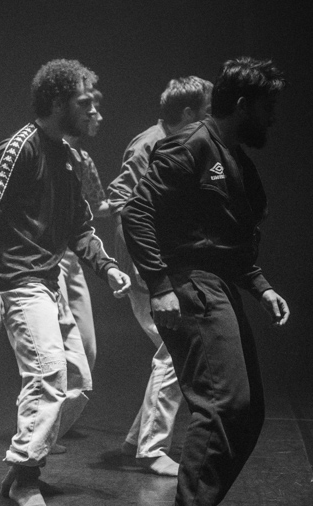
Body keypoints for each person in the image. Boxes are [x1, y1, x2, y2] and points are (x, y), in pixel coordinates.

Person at [122, 58, 289, 506]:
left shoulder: (235, 160)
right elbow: (136, 212)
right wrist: (160, 286)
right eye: (267, 107)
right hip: (189, 284)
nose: (273, 118)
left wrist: (261, 286)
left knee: (248, 411)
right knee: (224, 404)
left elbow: (228, 241)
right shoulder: (192, 145)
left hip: (215, 283)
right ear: (242, 105)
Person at [0, 59, 131, 506]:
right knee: (47, 377)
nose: (92, 109)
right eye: (83, 102)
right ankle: (26, 479)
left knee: (78, 383)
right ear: (59, 102)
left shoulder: (67, 156)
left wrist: (107, 267)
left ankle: (20, 470)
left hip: (50, 281)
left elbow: (80, 225)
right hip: (20, 281)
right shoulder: (20, 147)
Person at [109, 77, 213, 477]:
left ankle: (138, 440)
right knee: (177, 351)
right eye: (206, 112)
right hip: (146, 271)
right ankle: (151, 448)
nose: (210, 120)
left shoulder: (178, 144)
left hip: (157, 269)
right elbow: (124, 203)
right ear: (187, 113)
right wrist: (143, 269)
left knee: (174, 353)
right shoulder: (149, 145)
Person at [55, 89, 114, 447]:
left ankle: (55, 422)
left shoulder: (83, 159)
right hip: (47, 258)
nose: (97, 116)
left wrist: (135, 198)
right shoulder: (46, 151)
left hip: (73, 256)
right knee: (62, 350)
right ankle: (43, 429)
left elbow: (98, 205)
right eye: (89, 107)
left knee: (87, 348)